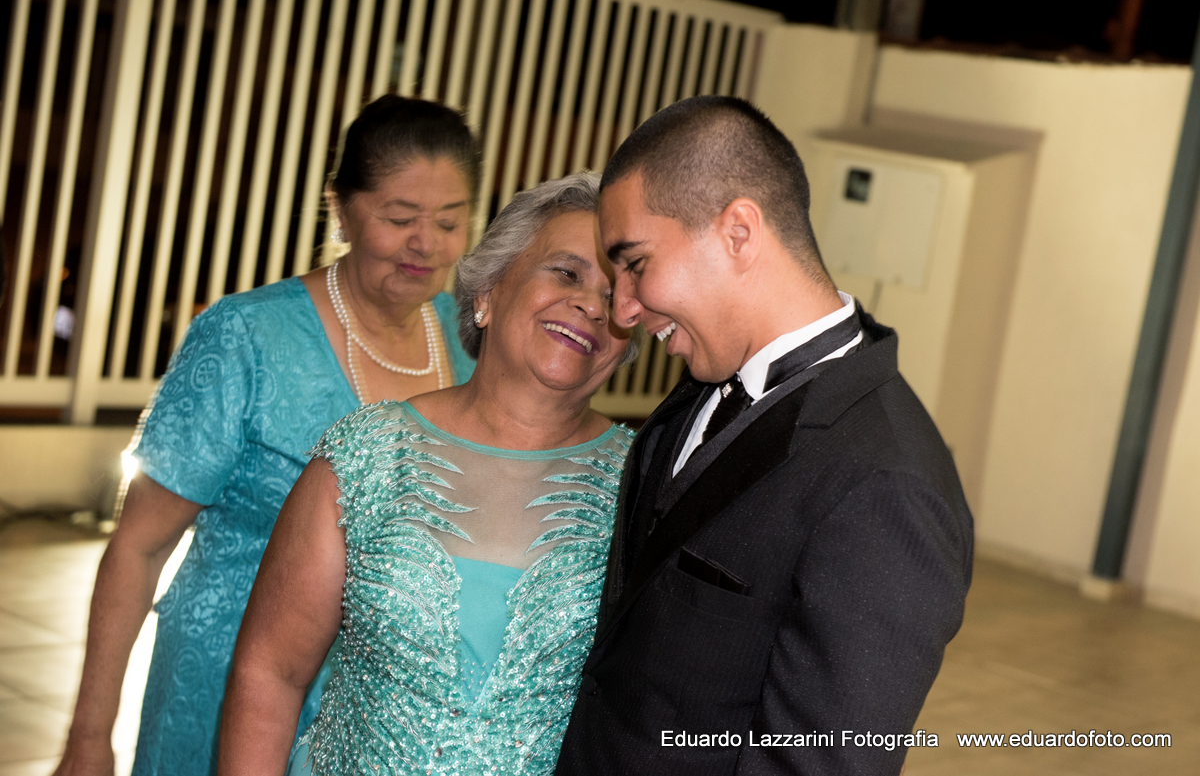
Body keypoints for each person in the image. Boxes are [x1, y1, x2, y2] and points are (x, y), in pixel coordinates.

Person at [53, 96, 480, 776]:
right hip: (221, 681)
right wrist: (87, 737)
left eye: (450, 222)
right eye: (400, 218)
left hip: (378, 709)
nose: (425, 244)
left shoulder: (467, 344)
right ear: (340, 210)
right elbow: (139, 543)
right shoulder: (246, 336)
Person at [555, 96, 974, 775]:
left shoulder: (885, 484)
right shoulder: (700, 382)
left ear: (738, 232)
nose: (624, 309)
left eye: (634, 263)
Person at [218, 172, 638, 776]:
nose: (591, 306)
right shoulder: (368, 454)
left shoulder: (646, 483)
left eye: (617, 295)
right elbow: (271, 674)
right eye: (567, 273)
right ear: (488, 291)